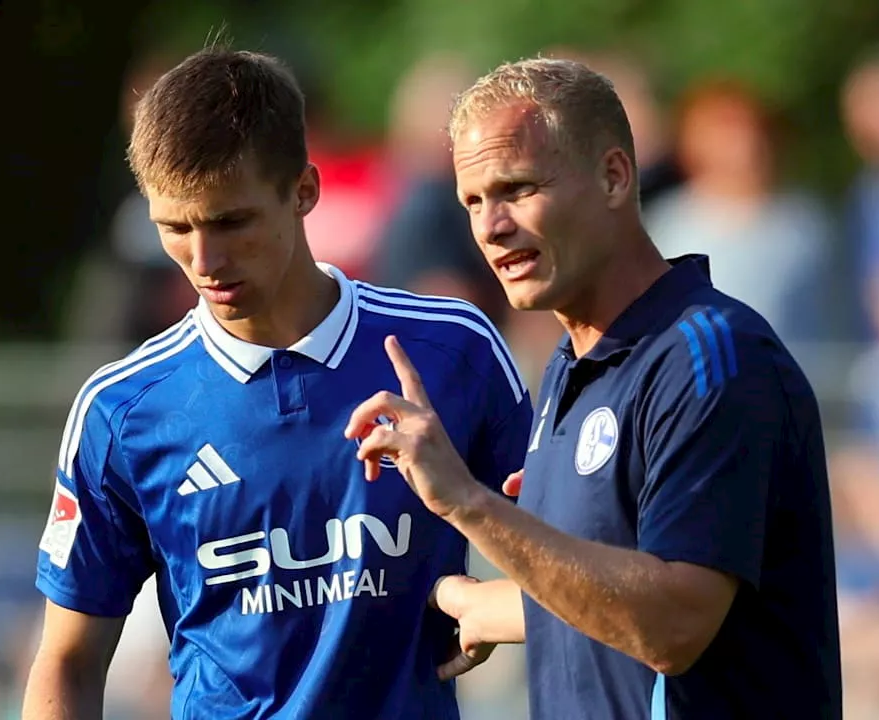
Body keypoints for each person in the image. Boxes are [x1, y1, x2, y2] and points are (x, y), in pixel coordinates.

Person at [22, 45, 532, 719]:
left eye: (231, 222)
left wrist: (491, 604)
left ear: (304, 190)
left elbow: (586, 566)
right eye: (174, 227)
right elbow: (67, 660)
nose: (203, 260)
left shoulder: (452, 350)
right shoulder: (123, 410)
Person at [346, 57, 842, 719]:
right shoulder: (571, 365)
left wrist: (467, 502)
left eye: (517, 188)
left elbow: (672, 624)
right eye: (472, 201)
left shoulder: (710, 360)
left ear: (613, 177)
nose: (491, 226)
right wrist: (463, 603)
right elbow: (601, 587)